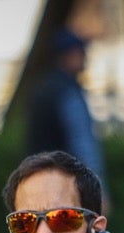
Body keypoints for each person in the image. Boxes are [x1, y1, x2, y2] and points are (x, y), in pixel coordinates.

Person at [26, 28, 105, 186]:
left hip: (42, 178)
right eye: (80, 52)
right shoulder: (68, 92)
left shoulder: (43, 88)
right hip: (67, 181)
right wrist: (97, 185)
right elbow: (82, 142)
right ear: (67, 56)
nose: (85, 57)